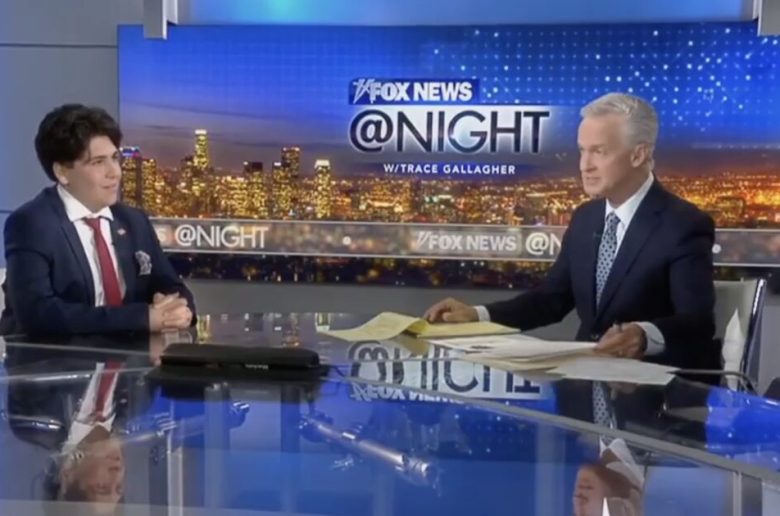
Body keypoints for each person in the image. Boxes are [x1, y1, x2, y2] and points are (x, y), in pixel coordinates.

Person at [424, 93, 718, 370]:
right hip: (583, 381)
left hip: (650, 390)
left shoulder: (683, 224)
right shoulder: (586, 218)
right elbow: (551, 300)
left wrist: (644, 335)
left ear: (638, 155)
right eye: (582, 151)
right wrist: (477, 315)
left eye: (599, 151)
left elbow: (698, 322)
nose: (584, 166)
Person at [0, 104, 195, 336]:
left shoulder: (134, 221)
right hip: (47, 356)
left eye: (115, 158)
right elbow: (38, 314)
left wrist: (180, 310)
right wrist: (142, 318)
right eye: (98, 162)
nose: (115, 172)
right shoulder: (31, 224)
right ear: (62, 172)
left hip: (128, 357)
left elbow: (171, 285)